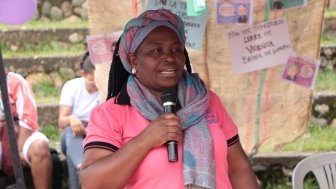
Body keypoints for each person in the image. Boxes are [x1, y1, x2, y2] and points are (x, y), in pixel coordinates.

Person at [79, 9, 259, 189]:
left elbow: (238, 168)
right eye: (156, 50)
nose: (169, 58)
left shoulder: (207, 101)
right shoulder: (111, 113)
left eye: (176, 49)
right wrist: (145, 140)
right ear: (134, 60)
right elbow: (92, 183)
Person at [0, 71, 52, 189]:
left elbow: (28, 119)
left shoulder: (15, 81)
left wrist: (17, 151)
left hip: (20, 133)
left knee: (39, 148)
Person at [58, 52, 100, 189]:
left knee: (73, 155)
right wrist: (71, 118)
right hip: (73, 135)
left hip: (95, 135)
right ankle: (83, 167)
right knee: (71, 132)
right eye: (92, 81)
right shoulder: (72, 86)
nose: (95, 85)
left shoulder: (104, 88)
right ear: (83, 74)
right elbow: (61, 121)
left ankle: (80, 169)